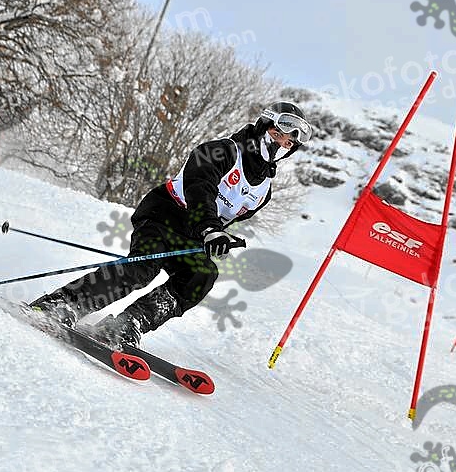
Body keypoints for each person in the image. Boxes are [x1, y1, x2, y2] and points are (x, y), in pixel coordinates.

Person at [30, 101, 312, 348]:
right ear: (262, 128)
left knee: (201, 276)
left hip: (193, 234)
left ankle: (127, 324)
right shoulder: (222, 151)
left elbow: (228, 216)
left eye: (288, 143)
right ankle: (63, 303)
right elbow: (200, 186)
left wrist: (216, 237)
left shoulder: (263, 191)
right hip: (164, 214)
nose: (280, 144)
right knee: (142, 267)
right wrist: (209, 228)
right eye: (277, 134)